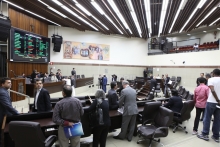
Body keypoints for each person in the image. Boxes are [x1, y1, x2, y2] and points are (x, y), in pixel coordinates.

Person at [197, 69, 220, 143]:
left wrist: (217, 100)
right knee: (217, 119)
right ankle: (216, 136)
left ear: (213, 73)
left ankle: (205, 134)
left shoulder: (211, 79)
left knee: (207, 118)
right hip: (219, 103)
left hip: (211, 102)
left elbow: (212, 90)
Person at [0, 77, 19, 147]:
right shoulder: (2, 92)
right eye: (8, 83)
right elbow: (7, 106)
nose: (10, 84)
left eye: (10, 82)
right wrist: (17, 113)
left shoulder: (4, 91)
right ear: (2, 84)